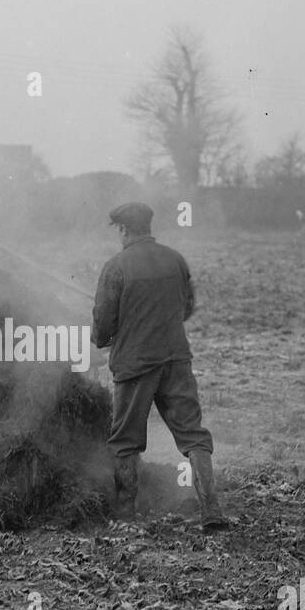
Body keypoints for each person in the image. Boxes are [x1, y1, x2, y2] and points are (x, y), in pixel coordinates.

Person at [91, 202, 228, 531]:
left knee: (125, 441)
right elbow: (186, 307)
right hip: (176, 360)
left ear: (124, 229)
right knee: (193, 436)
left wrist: (113, 331)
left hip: (135, 366)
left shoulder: (115, 267)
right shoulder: (175, 260)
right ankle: (211, 510)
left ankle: (126, 513)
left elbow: (101, 330)